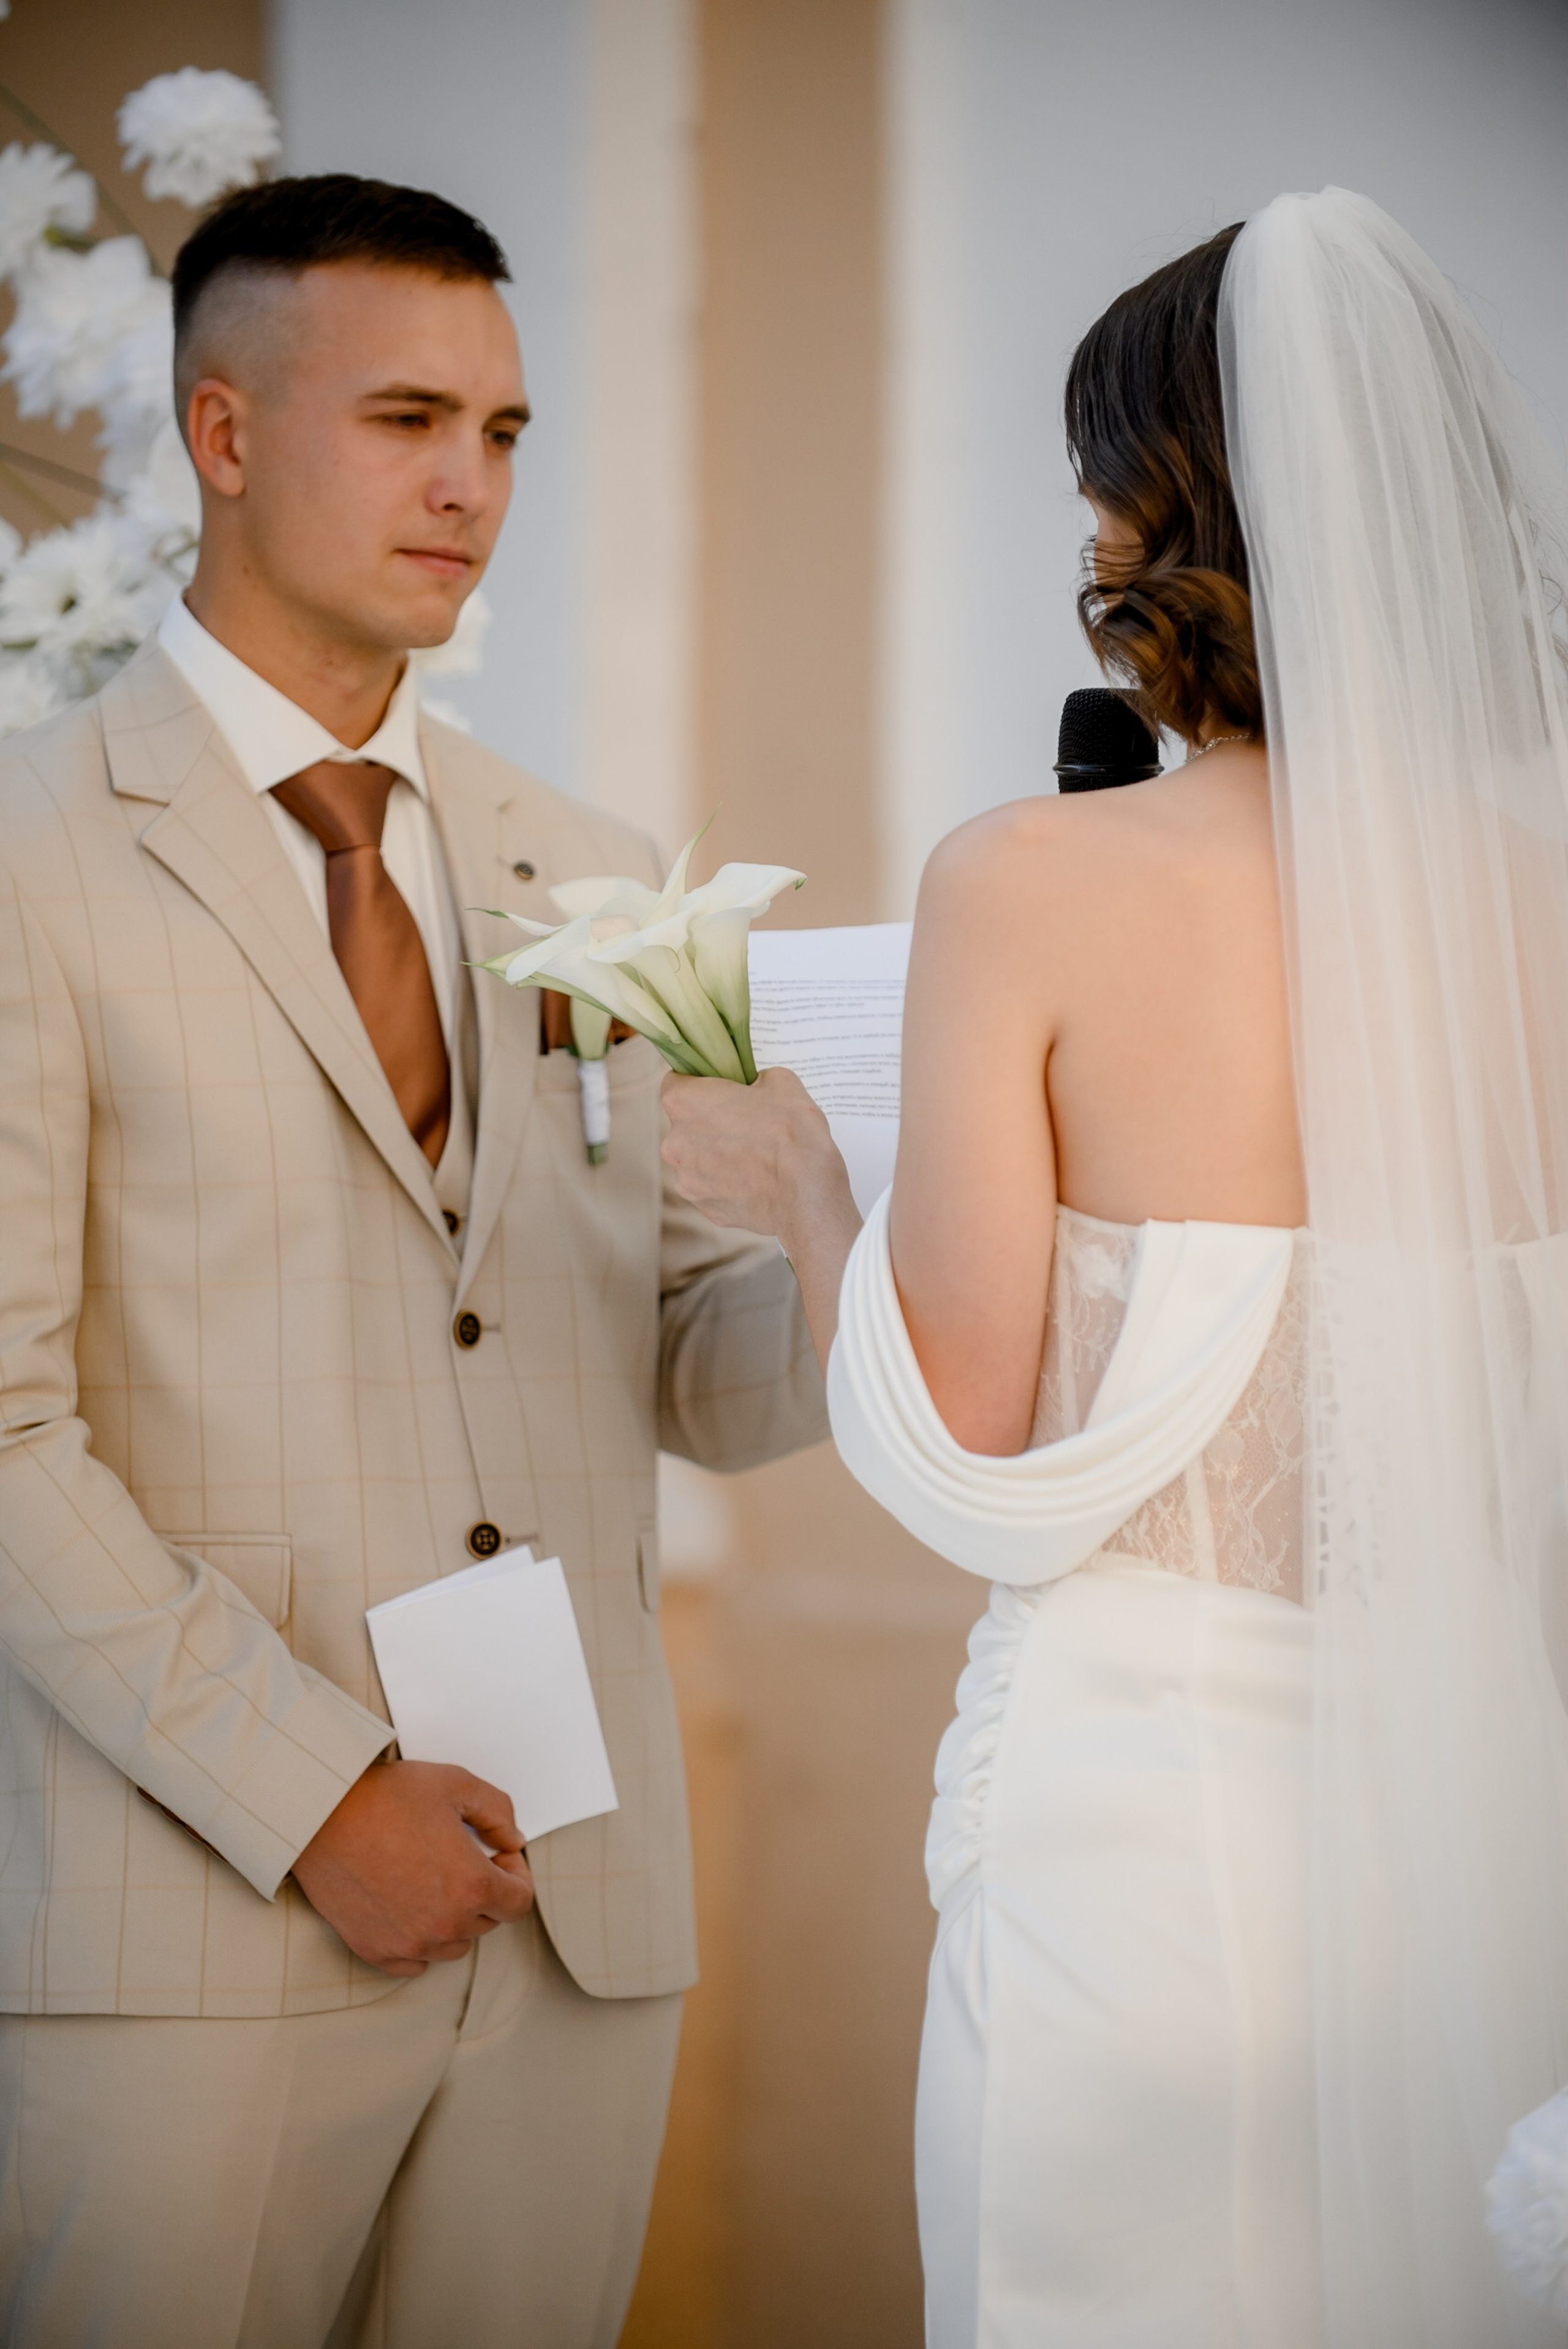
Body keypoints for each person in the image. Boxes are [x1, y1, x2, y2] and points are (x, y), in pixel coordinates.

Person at [662, 190, 1568, 2345]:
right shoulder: (1537, 905)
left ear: (1160, 509)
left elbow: (971, 1442)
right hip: (1482, 1817)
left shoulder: (1037, 876)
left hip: (1148, 1831)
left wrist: (798, 1178)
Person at [0, 174, 826, 2349]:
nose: (471, 483)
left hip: (574, 1912)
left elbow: (691, 1363)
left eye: (508, 431)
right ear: (224, 432)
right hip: (191, 1918)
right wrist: (317, 1797)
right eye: (408, 417)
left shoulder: (602, 870)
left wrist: (877, 1248)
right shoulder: (29, 857)